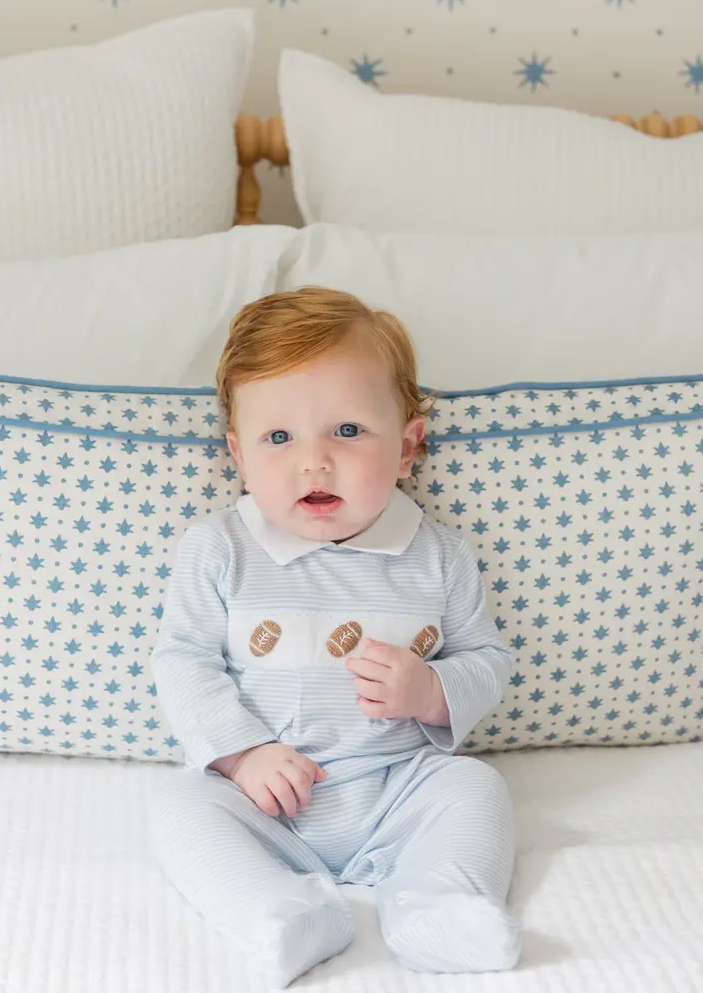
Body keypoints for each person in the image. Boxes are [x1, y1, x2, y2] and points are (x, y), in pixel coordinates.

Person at [150, 287, 520, 988]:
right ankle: (280, 912)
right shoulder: (220, 548)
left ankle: (440, 904)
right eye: (279, 438)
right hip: (264, 800)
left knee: (476, 789)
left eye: (347, 432)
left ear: (409, 445)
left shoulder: (437, 554)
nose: (314, 462)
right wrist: (243, 753)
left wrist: (431, 688)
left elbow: (488, 657)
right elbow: (184, 661)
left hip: (395, 786)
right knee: (179, 809)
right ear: (238, 453)